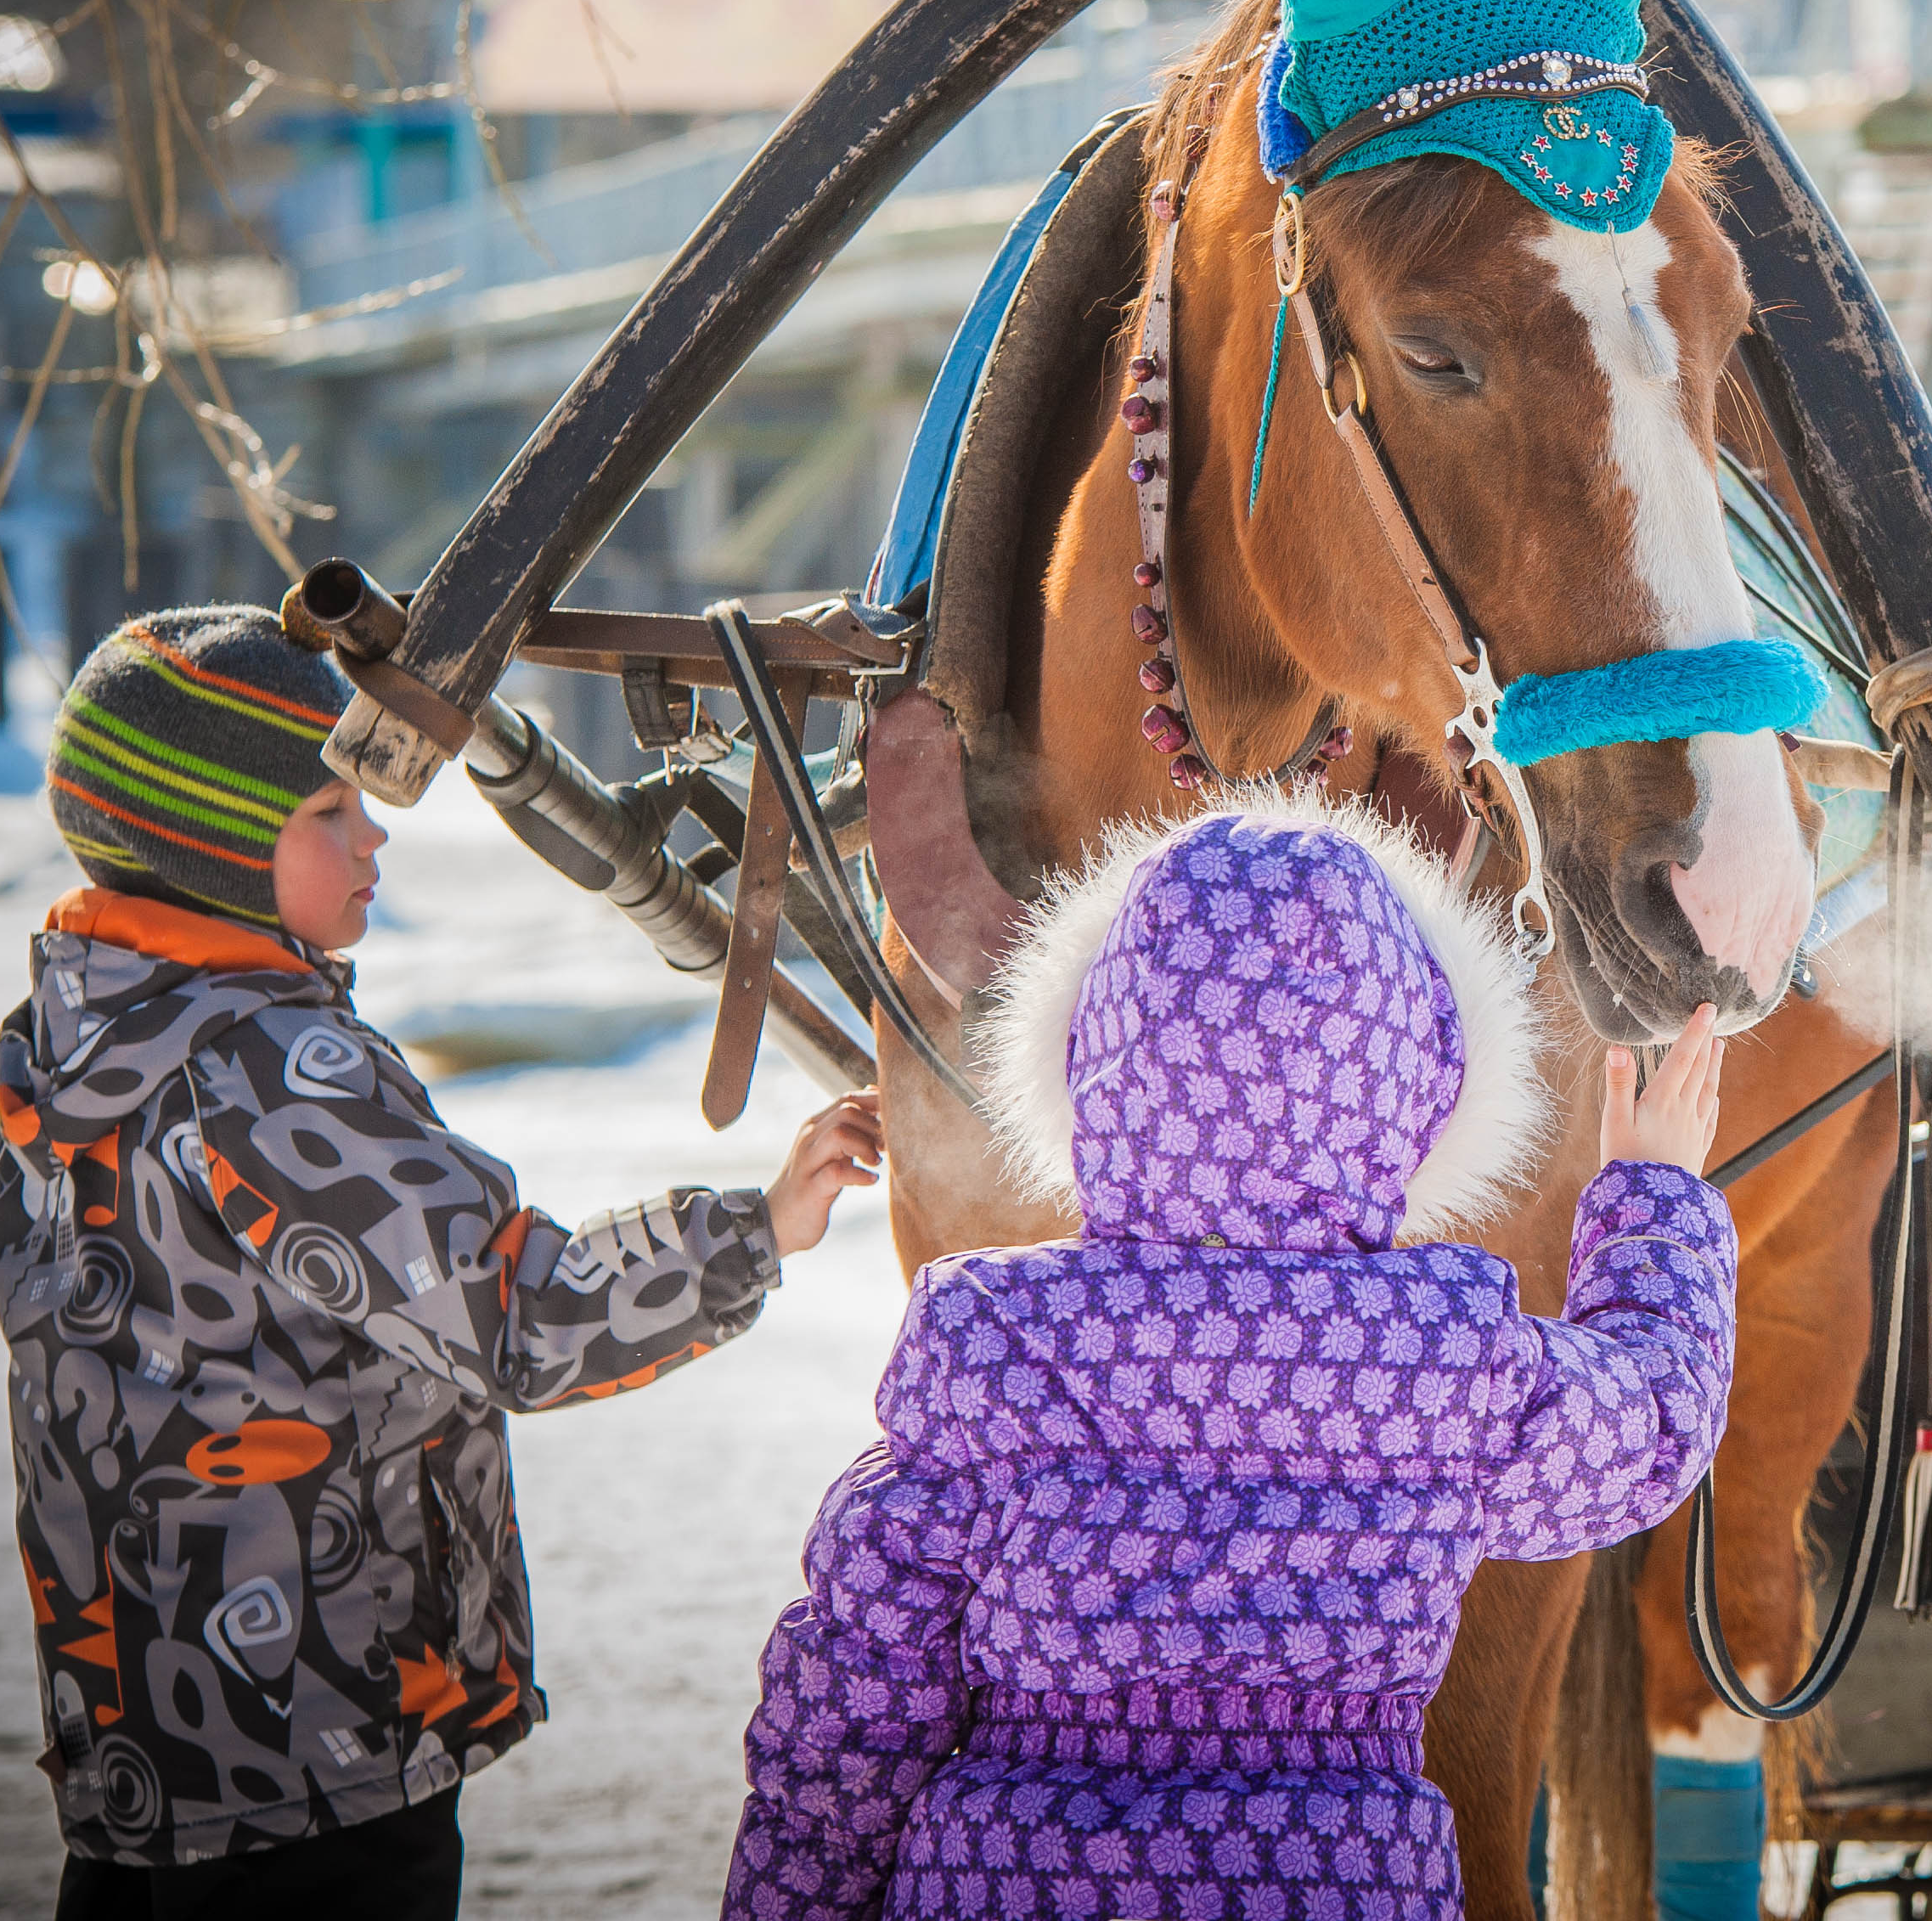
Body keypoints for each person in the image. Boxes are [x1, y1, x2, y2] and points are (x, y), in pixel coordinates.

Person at [0, 603, 882, 1919]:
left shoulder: (68, 1039)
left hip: (147, 1738)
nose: (375, 836)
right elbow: (516, 1319)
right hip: (324, 1735)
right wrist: (758, 1227)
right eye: (328, 814)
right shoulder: (266, 1074)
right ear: (216, 845)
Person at [723, 795, 1739, 1918]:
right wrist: (1652, 1200)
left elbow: (852, 1692)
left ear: (1091, 1068)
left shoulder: (989, 1336)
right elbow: (1647, 1428)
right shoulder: (1446, 1354)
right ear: (1423, 1092)